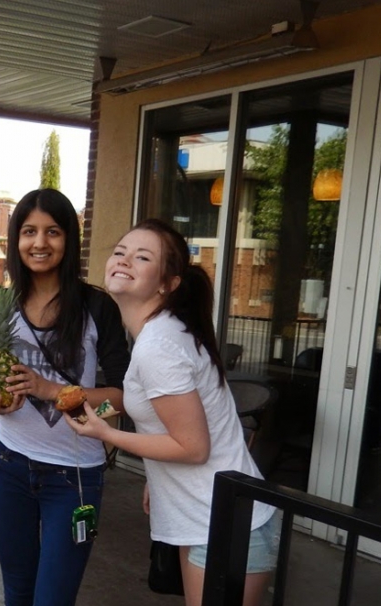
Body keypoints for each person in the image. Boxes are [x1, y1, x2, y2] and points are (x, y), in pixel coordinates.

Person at [66, 218, 278, 606]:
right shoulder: (159, 333)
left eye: (142, 256)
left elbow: (193, 446)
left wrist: (105, 434)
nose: (125, 260)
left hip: (224, 524)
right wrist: (103, 414)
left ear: (167, 283)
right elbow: (144, 403)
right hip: (209, 515)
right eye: (120, 252)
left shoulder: (159, 345)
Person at [0, 188, 130, 606]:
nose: (39, 243)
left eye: (52, 232)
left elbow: (120, 401)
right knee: (17, 592)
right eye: (28, 231)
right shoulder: (5, 304)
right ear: (15, 240)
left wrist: (50, 390)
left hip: (74, 477)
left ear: (69, 239)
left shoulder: (97, 307)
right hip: (7, 464)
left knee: (52, 599)